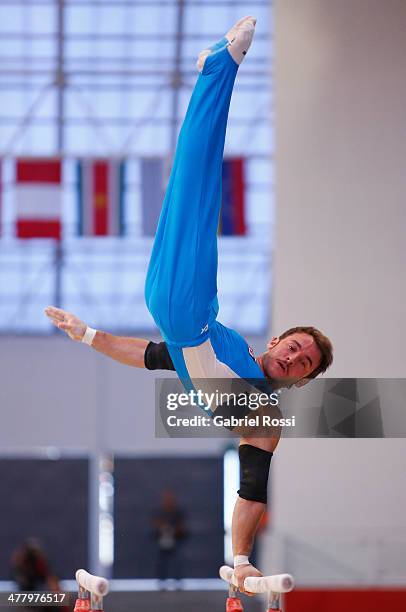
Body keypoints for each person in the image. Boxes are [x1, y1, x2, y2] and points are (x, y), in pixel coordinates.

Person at [45, 16, 333, 595]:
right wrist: (88, 334)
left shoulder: (265, 418)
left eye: (304, 364)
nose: (296, 358)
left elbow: (251, 490)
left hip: (181, 305)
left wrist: (242, 555)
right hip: (186, 310)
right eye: (296, 346)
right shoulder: (232, 351)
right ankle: (215, 72)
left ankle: (217, 69)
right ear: (275, 341)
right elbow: (148, 355)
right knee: (192, 182)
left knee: (196, 187)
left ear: (297, 381)